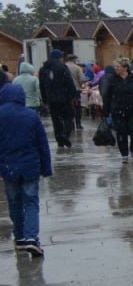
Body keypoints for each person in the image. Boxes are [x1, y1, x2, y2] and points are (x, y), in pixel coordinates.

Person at [0, 83, 53, 257]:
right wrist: (46, 167)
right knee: (30, 201)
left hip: (8, 166)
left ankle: (20, 237)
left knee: (14, 202)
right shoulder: (31, 115)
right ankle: (32, 237)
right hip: (30, 165)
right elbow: (42, 144)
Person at [104, 59, 133, 161]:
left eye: (118, 67)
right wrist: (106, 111)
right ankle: (124, 154)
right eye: (115, 67)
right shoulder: (112, 79)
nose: (116, 69)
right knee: (121, 132)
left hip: (132, 109)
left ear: (125, 68)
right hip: (118, 110)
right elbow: (107, 95)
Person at [38, 48, 78, 149]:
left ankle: (59, 140)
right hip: (64, 98)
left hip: (51, 99)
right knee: (69, 117)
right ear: (58, 58)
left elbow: (41, 85)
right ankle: (65, 134)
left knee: (56, 120)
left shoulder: (43, 69)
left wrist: (45, 99)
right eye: (61, 57)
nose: (62, 59)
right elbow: (69, 82)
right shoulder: (62, 67)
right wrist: (74, 95)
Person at [64, 53, 85, 129]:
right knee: (77, 107)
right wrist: (80, 85)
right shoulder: (77, 68)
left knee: (68, 106)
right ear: (74, 59)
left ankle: (71, 123)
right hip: (76, 90)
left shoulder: (64, 67)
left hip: (66, 91)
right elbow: (82, 79)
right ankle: (78, 124)